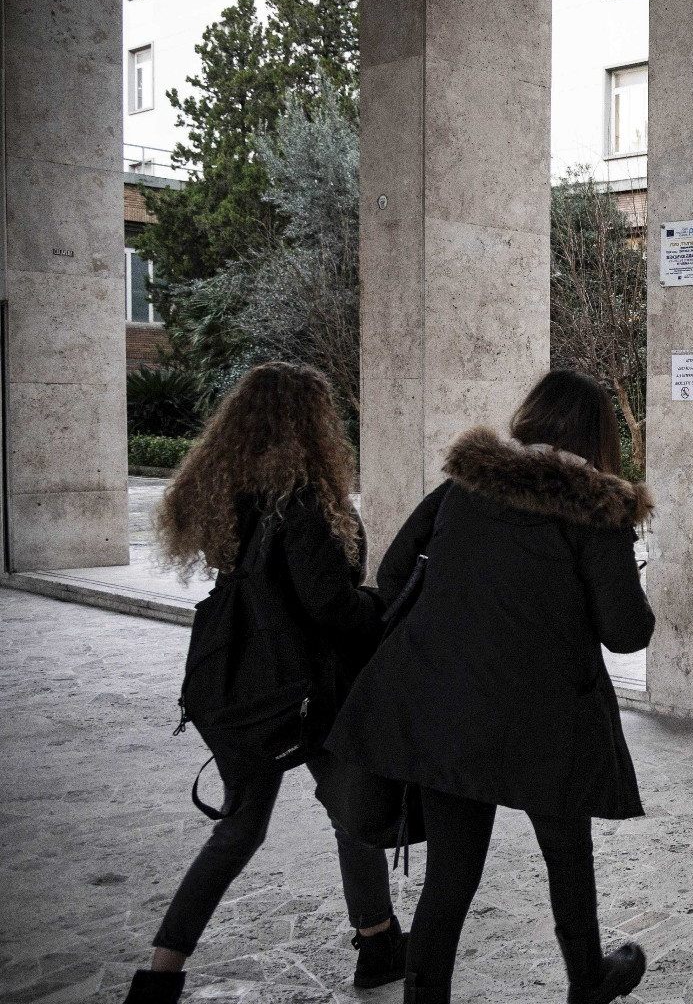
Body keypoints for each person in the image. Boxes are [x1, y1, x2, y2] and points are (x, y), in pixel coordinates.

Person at [327, 370, 655, 1004]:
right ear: (598, 436)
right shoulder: (596, 508)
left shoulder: (466, 484)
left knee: (451, 875)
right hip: (546, 718)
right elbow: (625, 633)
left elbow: (393, 576)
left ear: (531, 416)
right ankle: (588, 981)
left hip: (451, 705)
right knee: (567, 855)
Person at [127, 363, 400, 1004]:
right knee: (350, 812)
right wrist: (383, 606)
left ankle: (160, 977)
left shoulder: (227, 496)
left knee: (239, 829)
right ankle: (378, 945)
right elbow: (328, 605)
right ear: (314, 424)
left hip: (235, 685)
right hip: (307, 691)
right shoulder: (303, 503)